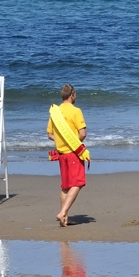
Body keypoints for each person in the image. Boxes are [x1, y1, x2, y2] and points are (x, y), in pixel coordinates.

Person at [47, 84, 87, 227]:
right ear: (72, 95)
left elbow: (50, 135)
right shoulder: (76, 111)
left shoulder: (55, 112)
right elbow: (82, 134)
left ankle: (65, 218)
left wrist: (61, 140)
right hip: (73, 153)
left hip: (61, 154)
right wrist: (73, 143)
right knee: (78, 183)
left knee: (65, 186)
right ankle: (63, 212)